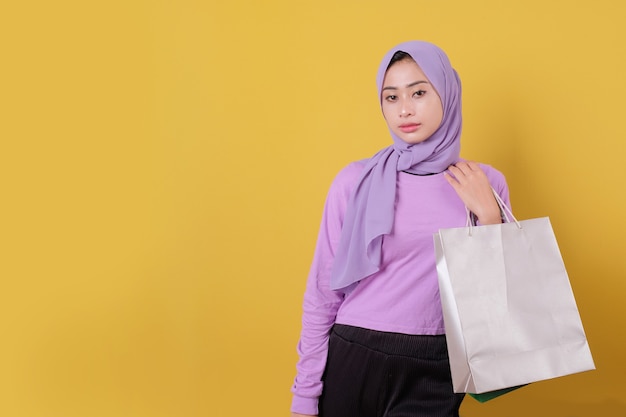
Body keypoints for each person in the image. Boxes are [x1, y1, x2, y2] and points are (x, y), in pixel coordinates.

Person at [290, 40, 510, 417]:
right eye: (391, 98)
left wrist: (490, 219)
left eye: (419, 93)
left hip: (435, 364)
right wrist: (305, 396)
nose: (404, 110)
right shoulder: (355, 181)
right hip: (353, 356)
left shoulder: (483, 182)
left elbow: (498, 297)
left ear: (447, 93)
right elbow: (322, 295)